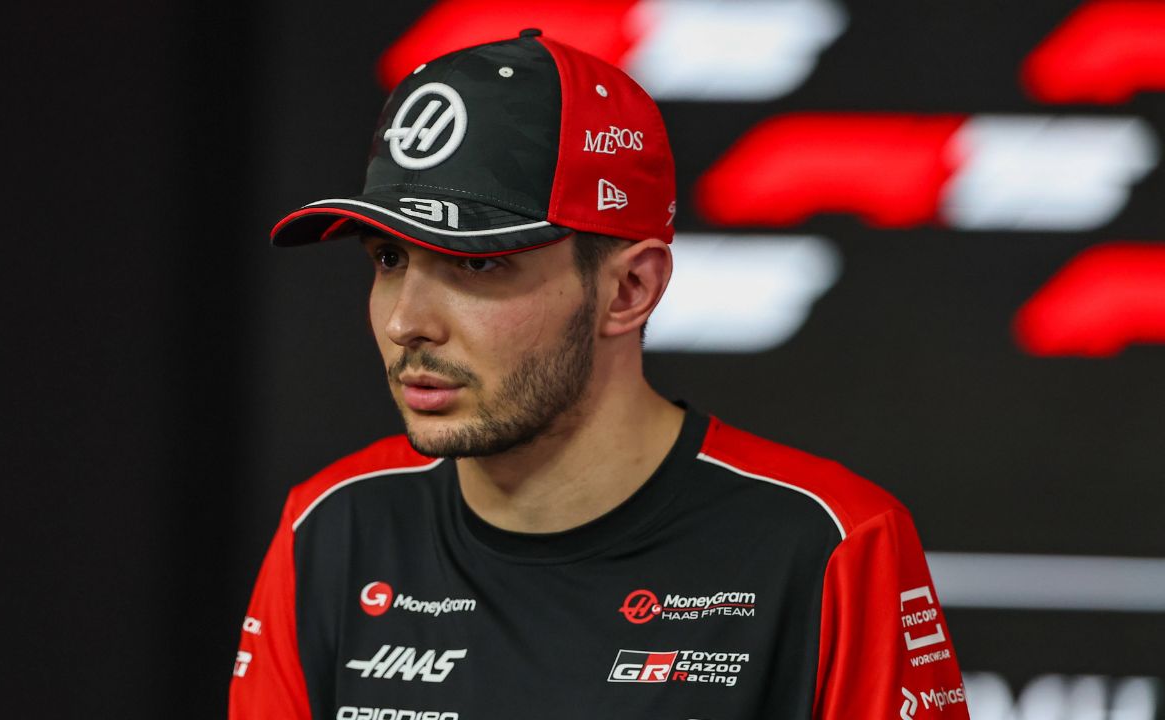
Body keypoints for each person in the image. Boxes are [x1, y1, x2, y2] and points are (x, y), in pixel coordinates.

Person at [230, 29, 968, 720]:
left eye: (476, 264)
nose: (405, 322)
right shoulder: (330, 524)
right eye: (389, 259)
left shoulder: (833, 542)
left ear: (629, 290)